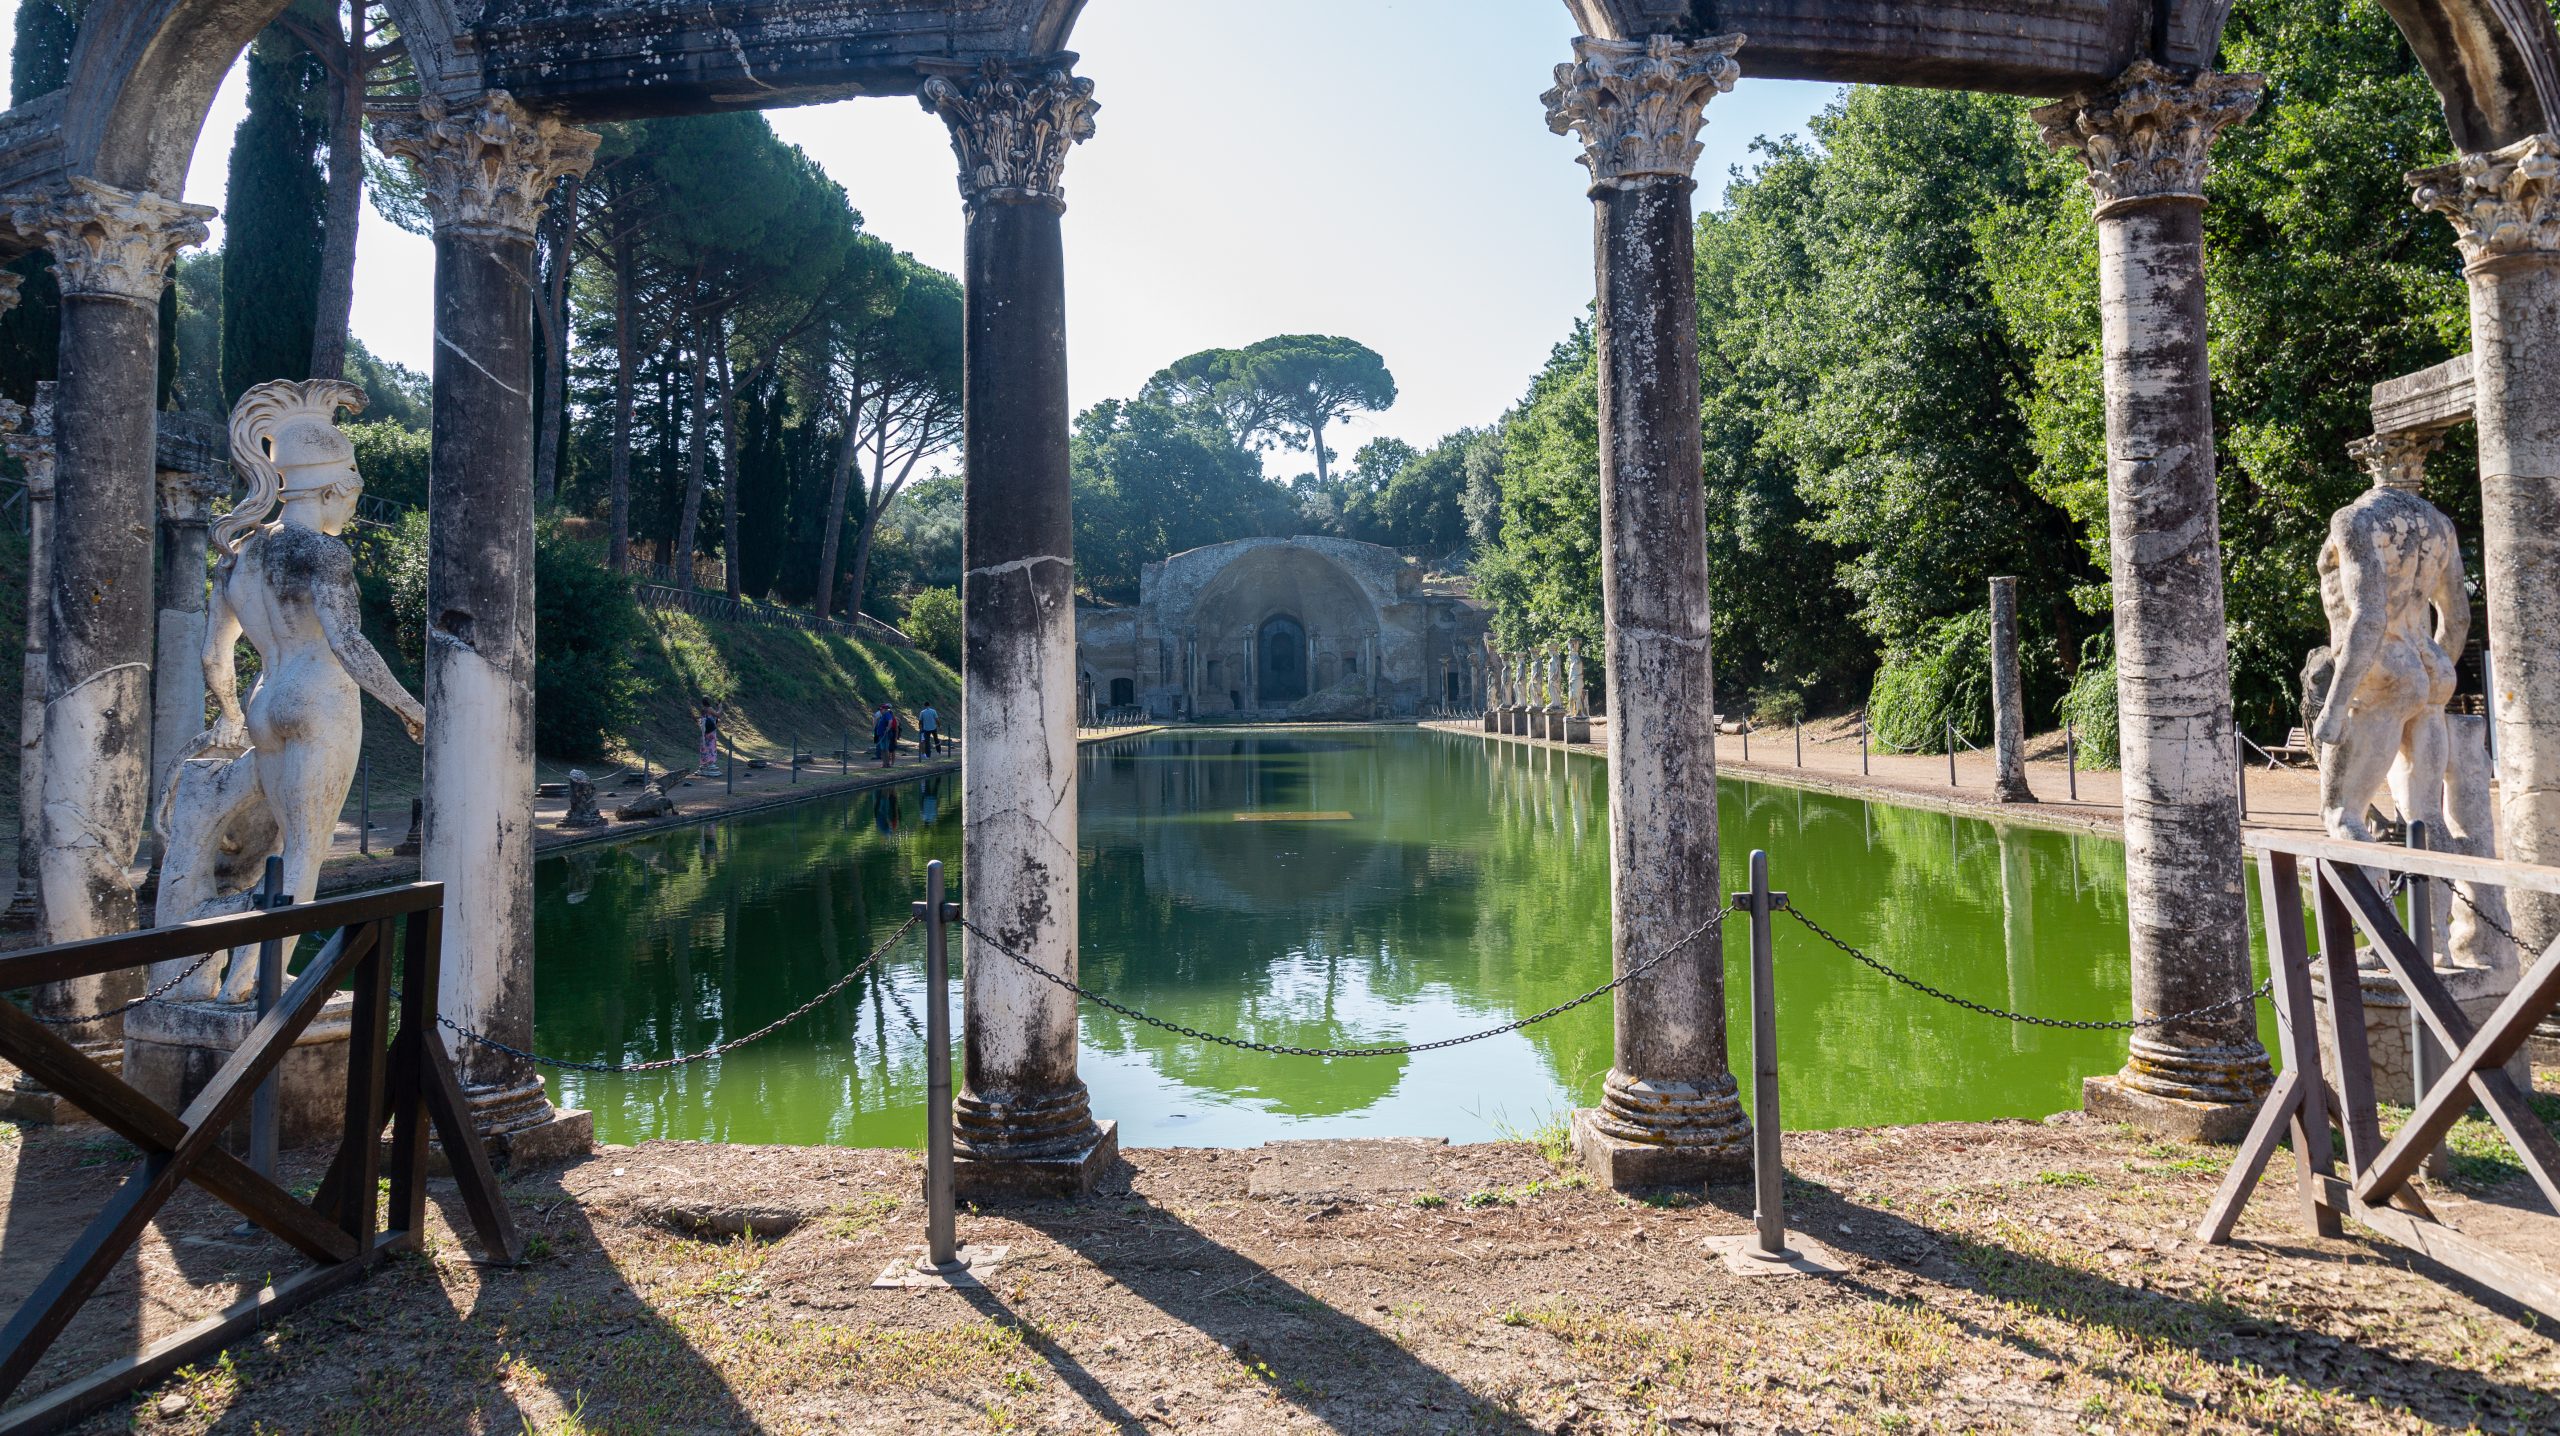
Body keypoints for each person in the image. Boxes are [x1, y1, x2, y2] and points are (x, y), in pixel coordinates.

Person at [698, 697, 722, 776]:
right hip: (711, 731)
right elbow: (718, 715)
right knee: (711, 746)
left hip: (705, 730)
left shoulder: (703, 710)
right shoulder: (710, 708)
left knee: (704, 746)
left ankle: (704, 762)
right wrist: (720, 707)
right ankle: (711, 762)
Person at [873, 700, 896, 768]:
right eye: (880, 709)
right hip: (881, 734)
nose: (880, 710)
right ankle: (884, 763)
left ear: (885, 709)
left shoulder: (887, 714)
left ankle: (887, 764)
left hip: (885, 735)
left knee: (885, 749)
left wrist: (888, 728)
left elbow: (890, 721)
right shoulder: (883, 715)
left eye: (881, 709)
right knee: (883, 749)